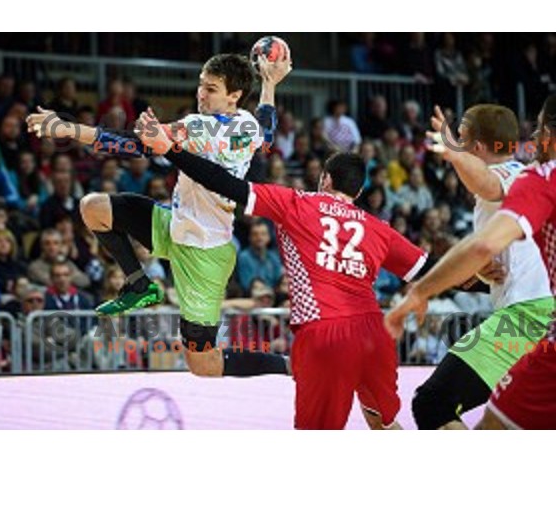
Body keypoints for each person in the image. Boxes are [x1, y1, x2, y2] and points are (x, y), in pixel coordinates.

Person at [136, 117, 428, 430]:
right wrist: (485, 280)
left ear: (325, 179)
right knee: (383, 423)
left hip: (325, 333)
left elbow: (223, 182)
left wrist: (172, 150)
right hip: (375, 333)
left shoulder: (296, 203)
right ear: (358, 191)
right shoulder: (379, 228)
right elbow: (432, 271)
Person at [27, 53, 291, 380]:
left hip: (204, 255)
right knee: (94, 208)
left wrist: (66, 128)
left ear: (233, 95)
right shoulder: (248, 126)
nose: (201, 94)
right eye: (200, 86)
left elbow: (132, 146)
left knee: (204, 364)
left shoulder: (198, 126)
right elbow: (266, 128)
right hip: (174, 225)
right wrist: (269, 83)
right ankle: (140, 285)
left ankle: (290, 366)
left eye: (210, 88)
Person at [385, 94, 556, 430]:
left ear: (477, 147)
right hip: (534, 310)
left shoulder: (518, 174)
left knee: (434, 402)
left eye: (463, 138)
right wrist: (483, 268)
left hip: (527, 317)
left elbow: (487, 185)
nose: (532, 138)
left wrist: (453, 155)